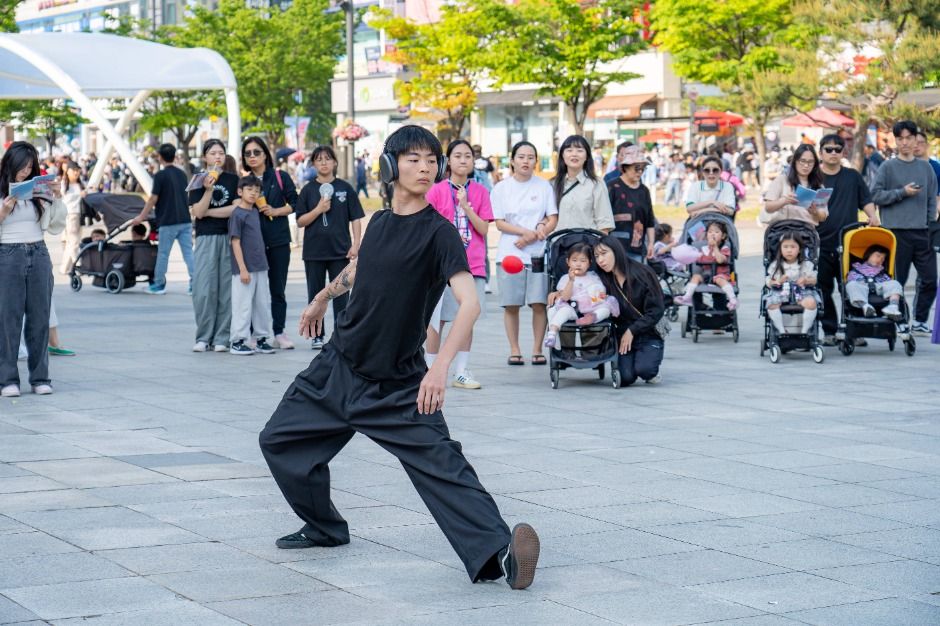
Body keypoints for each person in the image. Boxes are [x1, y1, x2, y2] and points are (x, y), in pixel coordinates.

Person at [259, 125, 541, 591]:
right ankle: (324, 527)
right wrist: (322, 299)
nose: (425, 167)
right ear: (390, 166)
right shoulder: (378, 223)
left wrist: (439, 368)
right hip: (338, 367)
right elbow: (358, 268)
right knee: (279, 441)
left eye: (431, 159)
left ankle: (502, 552)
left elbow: (470, 304)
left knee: (443, 465)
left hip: (398, 384)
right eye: (413, 159)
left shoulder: (439, 234)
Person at [425, 140, 493, 389]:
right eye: (458, 155)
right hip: (440, 266)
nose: (463, 160)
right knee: (437, 320)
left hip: (472, 264)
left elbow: (484, 228)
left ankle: (461, 372)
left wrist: (465, 206)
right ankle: (429, 369)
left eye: (468, 156)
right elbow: (427, 226)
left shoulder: (481, 192)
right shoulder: (436, 191)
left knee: (466, 319)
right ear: (448, 161)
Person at [0, 141, 62, 397]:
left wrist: (55, 197)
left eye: (29, 167)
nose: (25, 172)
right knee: (9, 319)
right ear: (10, 164)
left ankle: (40, 378)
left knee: (39, 317)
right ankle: (7, 380)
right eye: (22, 167)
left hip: (38, 252)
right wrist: (3, 211)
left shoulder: (37, 190)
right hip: (8, 254)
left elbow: (56, 225)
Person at [492, 141, 558, 365]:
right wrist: (525, 233)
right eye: (521, 157)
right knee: (511, 304)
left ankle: (538, 349)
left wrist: (540, 231)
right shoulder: (501, 188)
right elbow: (499, 222)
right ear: (512, 160)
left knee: (539, 303)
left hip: (538, 253)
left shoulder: (543, 186)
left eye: (530, 157)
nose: (526, 161)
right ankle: (515, 349)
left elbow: (553, 217)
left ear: (536, 161)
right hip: (510, 255)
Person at [871, 121, 938, 336]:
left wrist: (929, 224)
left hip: (922, 231)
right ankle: (900, 319)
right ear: (895, 141)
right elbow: (875, 195)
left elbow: (931, 199)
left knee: (930, 279)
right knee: (896, 281)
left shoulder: (926, 168)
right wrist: (902, 192)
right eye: (900, 139)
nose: (905, 143)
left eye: (909, 138)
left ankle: (920, 320)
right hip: (895, 232)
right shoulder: (887, 167)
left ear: (916, 139)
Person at [295, 146, 364, 350]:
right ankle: (317, 335)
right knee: (315, 294)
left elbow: (356, 218)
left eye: (327, 158)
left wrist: (356, 244)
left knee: (342, 295)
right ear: (313, 164)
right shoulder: (307, 190)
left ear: (335, 162)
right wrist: (318, 209)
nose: (324, 162)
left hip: (340, 251)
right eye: (319, 159)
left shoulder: (345, 188)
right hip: (313, 253)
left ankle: (341, 334)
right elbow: (300, 221)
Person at [816, 133, 880, 345]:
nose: (833, 153)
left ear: (843, 152)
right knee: (823, 289)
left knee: (852, 287)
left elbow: (866, 200)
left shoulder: (853, 176)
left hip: (849, 243)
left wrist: (872, 216)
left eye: (838, 149)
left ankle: (855, 329)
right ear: (821, 152)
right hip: (821, 243)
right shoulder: (815, 178)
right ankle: (829, 331)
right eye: (828, 149)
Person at [241, 136, 298, 350]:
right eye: (248, 153)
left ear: (265, 154)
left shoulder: (280, 177)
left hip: (278, 240)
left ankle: (279, 332)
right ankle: (253, 333)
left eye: (257, 152)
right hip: (252, 243)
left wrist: (276, 210)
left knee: (277, 289)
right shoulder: (244, 182)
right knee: (253, 290)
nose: (252, 156)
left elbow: (295, 203)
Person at [593, 234, 665, 386]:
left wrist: (632, 330)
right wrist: (558, 293)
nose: (600, 260)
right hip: (623, 336)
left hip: (648, 333)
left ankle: (651, 366)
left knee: (645, 370)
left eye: (604, 253)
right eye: (597, 256)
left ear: (616, 251)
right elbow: (580, 285)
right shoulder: (602, 279)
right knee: (625, 378)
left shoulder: (643, 273)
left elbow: (656, 310)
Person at [189, 139, 238, 353]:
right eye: (213, 153)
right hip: (205, 238)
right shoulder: (197, 180)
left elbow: (236, 209)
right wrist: (208, 191)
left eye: (221, 153)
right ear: (205, 157)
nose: (218, 157)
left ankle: (222, 337)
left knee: (226, 290)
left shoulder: (233, 179)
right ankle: (203, 336)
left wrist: (208, 212)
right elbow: (197, 212)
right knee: (204, 289)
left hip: (228, 236)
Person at [131, 143, 194, 295]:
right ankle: (195, 284)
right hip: (185, 220)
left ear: (160, 157)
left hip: (168, 221)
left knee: (163, 254)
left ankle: (158, 285)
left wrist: (141, 216)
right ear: (174, 156)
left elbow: (153, 198)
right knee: (188, 254)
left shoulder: (160, 176)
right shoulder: (182, 174)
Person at [228, 175, 275, 356]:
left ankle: (261, 338)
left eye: (257, 190)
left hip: (260, 266)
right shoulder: (237, 214)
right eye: (249, 190)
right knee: (243, 305)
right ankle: (238, 341)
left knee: (261, 304)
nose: (253, 193)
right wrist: (242, 268)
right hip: (244, 269)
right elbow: (235, 242)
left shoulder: (255, 212)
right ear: (240, 192)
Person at [543, 243, 614, 348]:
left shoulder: (594, 277)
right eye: (574, 260)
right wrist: (571, 281)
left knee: (606, 309)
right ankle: (552, 332)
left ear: (589, 263)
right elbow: (565, 297)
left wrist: (599, 295)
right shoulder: (565, 278)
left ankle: (593, 318)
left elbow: (600, 292)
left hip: (591, 308)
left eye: (583, 261)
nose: (578, 264)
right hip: (572, 307)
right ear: (568, 262)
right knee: (563, 311)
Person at [552, 135, 614, 233]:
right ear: (562, 155)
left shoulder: (596, 184)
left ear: (587, 156)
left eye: (579, 150)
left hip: (586, 241)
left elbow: (604, 224)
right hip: (557, 241)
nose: (574, 154)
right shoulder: (552, 184)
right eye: (569, 150)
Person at [673, 221, 738, 310]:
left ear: (723, 236)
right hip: (707, 275)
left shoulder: (724, 248)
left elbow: (720, 260)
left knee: (719, 279)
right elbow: (698, 259)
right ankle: (687, 297)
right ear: (706, 235)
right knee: (696, 276)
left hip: (721, 275)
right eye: (710, 232)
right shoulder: (704, 248)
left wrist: (715, 247)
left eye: (716, 232)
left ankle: (732, 299)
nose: (712, 234)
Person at [607, 145, 655, 262]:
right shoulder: (612, 187)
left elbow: (650, 221)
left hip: (638, 249)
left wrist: (651, 243)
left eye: (643, 168)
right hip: (615, 248)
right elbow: (603, 218)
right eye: (636, 168)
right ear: (625, 167)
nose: (640, 172)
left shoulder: (644, 191)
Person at [761, 145, 829, 225]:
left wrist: (815, 212)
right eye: (802, 161)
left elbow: (823, 217)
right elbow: (768, 207)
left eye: (810, 162)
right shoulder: (782, 180)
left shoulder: (819, 186)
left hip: (806, 229)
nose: (806, 165)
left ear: (815, 164)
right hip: (782, 228)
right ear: (795, 161)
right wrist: (784, 201)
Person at [764, 234, 818, 334]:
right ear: (780, 249)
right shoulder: (775, 265)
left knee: (811, 303)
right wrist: (778, 281)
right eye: (785, 247)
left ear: (799, 249)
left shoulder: (806, 264)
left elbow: (814, 280)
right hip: (781, 293)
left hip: (802, 292)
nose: (789, 250)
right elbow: (769, 281)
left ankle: (804, 331)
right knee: (771, 304)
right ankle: (781, 330)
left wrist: (806, 280)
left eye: (793, 247)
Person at [845, 244, 904, 320]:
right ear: (869, 255)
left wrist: (888, 284)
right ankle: (866, 307)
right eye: (878, 256)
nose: (880, 260)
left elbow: (888, 284)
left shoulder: (882, 271)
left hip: (879, 287)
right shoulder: (857, 268)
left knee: (895, 283)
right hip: (862, 286)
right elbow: (851, 279)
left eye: (883, 259)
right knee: (851, 285)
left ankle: (893, 307)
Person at [59, 162, 86, 275]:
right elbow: (65, 199)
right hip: (70, 215)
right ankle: (77, 265)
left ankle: (65, 268)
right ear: (68, 171)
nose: (76, 173)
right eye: (74, 170)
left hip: (79, 215)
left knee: (72, 242)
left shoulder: (80, 184)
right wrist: (80, 194)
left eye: (78, 170)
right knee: (74, 242)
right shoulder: (64, 183)